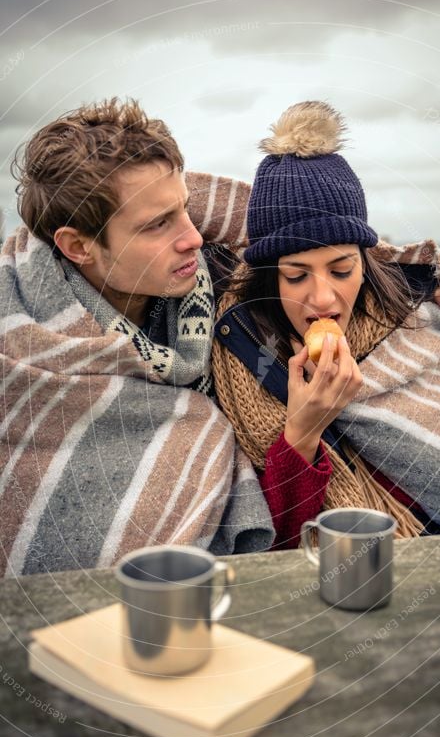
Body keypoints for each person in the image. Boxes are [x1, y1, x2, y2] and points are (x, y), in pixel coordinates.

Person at [0, 98, 274, 576]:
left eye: (184, 210)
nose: (193, 237)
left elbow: (327, 242)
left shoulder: (228, 278)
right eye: (157, 225)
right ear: (78, 246)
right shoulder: (17, 342)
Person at [211, 101, 440, 549]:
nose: (322, 298)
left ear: (365, 264)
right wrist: (302, 432)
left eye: (341, 269)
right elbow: (271, 544)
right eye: (296, 275)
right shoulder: (241, 354)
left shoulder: (410, 331)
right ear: (270, 277)